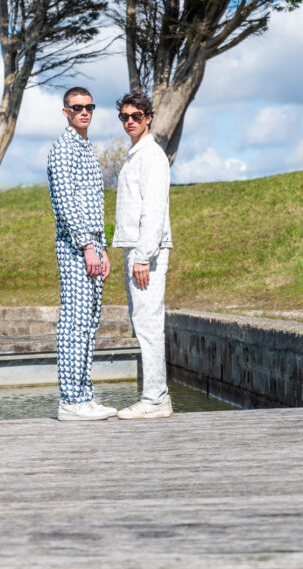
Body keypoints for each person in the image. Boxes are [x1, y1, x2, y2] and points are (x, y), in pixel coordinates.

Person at [47, 86, 116, 421]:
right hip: (75, 249)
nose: (84, 112)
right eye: (77, 108)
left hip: (92, 248)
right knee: (74, 323)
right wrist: (88, 246)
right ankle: (70, 400)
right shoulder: (63, 150)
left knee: (89, 323)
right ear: (66, 112)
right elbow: (66, 203)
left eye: (89, 106)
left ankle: (84, 396)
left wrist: (101, 249)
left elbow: (93, 206)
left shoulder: (86, 149)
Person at [112, 90, 173, 419]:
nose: (130, 122)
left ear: (148, 118)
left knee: (149, 324)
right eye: (124, 117)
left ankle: (155, 399)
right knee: (144, 323)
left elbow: (154, 210)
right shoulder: (137, 155)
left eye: (136, 116)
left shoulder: (152, 157)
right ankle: (155, 396)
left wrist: (142, 256)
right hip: (136, 248)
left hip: (145, 252)